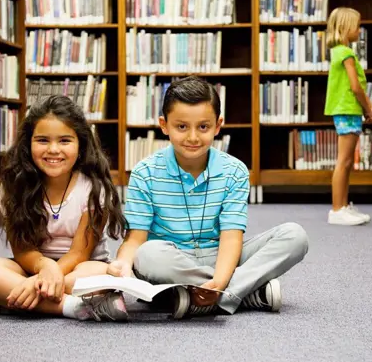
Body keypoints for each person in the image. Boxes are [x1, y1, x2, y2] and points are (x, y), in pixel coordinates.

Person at [109, 76, 309, 319]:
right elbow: (135, 240)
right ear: (164, 125)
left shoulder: (235, 171)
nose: (193, 137)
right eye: (181, 127)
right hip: (173, 260)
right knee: (147, 255)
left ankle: (201, 296)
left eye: (203, 127)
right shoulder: (145, 172)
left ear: (217, 125)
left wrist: (221, 280)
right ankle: (244, 292)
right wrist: (123, 263)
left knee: (294, 236)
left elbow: (231, 237)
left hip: (222, 255)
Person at [0, 95, 129, 322]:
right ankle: (71, 306)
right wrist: (43, 269)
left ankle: (3, 299)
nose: (53, 150)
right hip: (32, 265)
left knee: (103, 276)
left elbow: (80, 253)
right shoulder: (14, 185)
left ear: (81, 145)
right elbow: (21, 250)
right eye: (42, 140)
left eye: (65, 141)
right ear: (28, 145)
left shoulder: (94, 189)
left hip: (80, 267)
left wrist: (39, 280)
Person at [323, 7, 372, 226]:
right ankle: (337, 210)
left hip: (345, 109)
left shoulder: (339, 51)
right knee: (344, 161)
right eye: (357, 24)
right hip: (348, 109)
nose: (360, 29)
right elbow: (356, 87)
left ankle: (343, 206)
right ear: (346, 28)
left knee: (345, 162)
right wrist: (369, 107)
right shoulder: (346, 53)